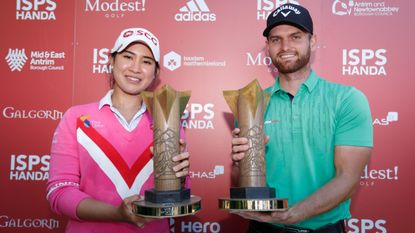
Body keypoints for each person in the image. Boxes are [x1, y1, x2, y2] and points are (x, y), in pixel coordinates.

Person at [231, 4, 373, 233]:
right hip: (264, 229)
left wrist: (291, 215)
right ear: (268, 47)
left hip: (324, 229)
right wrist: (239, 164)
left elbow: (347, 179)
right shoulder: (249, 103)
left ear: (313, 41)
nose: (285, 46)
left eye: (295, 37)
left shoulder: (347, 99)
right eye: (276, 39)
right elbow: (241, 182)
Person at [46, 28, 190, 233]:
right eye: (128, 57)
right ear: (111, 61)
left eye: (147, 61)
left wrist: (180, 180)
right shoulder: (76, 118)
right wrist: (117, 213)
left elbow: (179, 197)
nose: (136, 68)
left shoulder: (168, 122)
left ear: (156, 73)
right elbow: (59, 193)